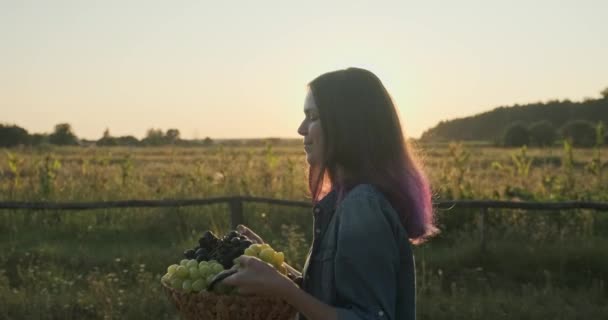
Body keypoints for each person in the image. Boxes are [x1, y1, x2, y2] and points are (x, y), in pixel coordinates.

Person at [224, 67, 437, 320]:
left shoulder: (362, 207)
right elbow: (332, 298)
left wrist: (286, 291)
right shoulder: (347, 201)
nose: (301, 129)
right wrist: (278, 273)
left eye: (313, 117)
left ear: (345, 126)